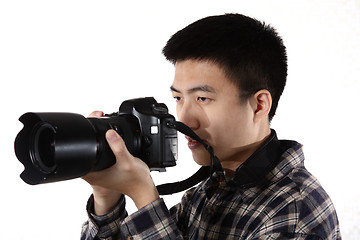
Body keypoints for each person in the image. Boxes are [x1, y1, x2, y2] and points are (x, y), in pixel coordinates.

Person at [81, 13, 341, 239]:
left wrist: (143, 194)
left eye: (203, 99)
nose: (183, 119)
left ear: (260, 105)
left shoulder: (294, 212)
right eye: (178, 99)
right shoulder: (211, 188)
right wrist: (107, 198)